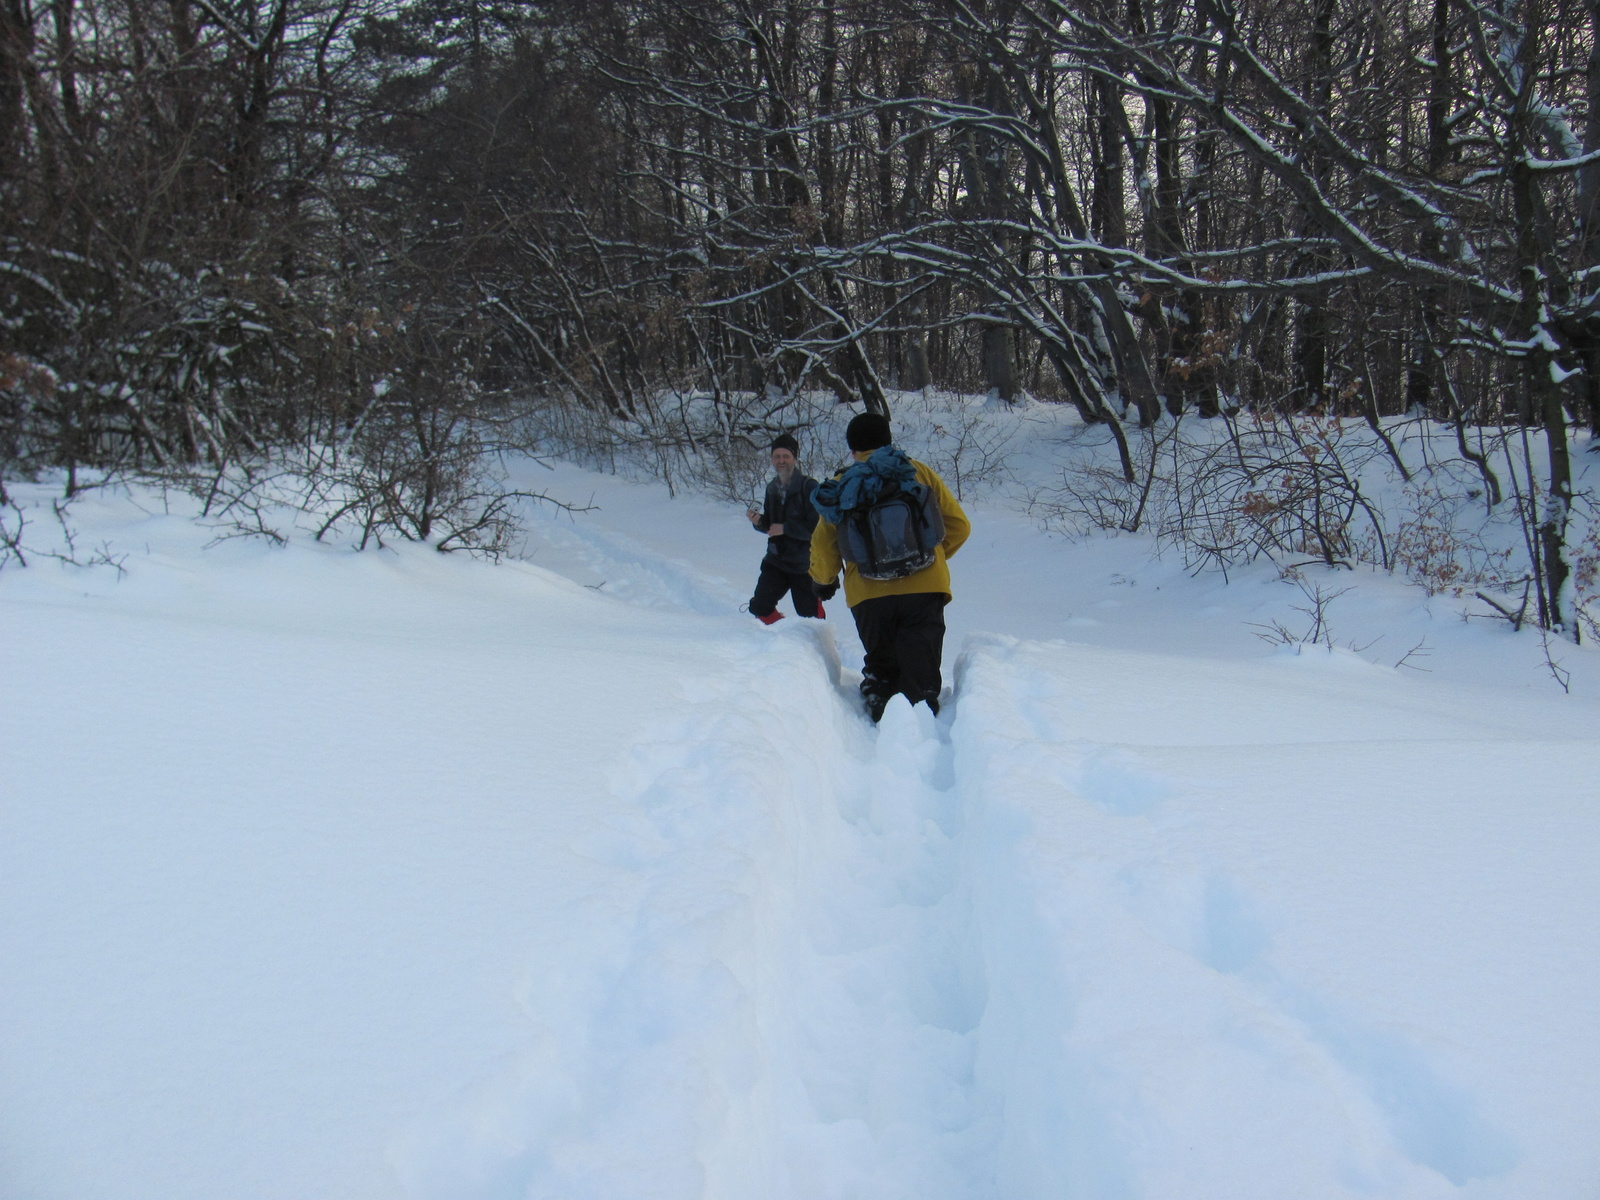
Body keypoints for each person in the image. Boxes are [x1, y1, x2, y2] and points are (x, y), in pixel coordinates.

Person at [810, 412, 969, 721]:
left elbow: (823, 543)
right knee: (921, 669)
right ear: (888, 441)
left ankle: (882, 710)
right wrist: (928, 558)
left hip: (868, 594)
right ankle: (923, 716)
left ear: (853, 450)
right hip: (926, 590)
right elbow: (959, 526)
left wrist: (823, 581)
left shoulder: (843, 483)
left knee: (883, 666)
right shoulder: (916, 471)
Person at [746, 434, 824, 624]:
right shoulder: (772, 487)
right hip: (776, 561)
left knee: (811, 621)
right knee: (759, 608)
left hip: (804, 566)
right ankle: (785, 641)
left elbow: (817, 528)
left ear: (795, 459)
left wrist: (785, 528)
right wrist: (758, 522)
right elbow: (772, 526)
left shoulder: (809, 486)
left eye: (786, 456)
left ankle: (820, 647)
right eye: (777, 456)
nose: (781, 460)